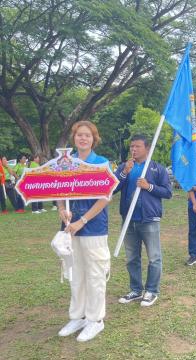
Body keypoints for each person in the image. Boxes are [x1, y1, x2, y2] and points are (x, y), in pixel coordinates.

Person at [57, 120, 111, 342]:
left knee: (95, 275)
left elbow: (104, 198)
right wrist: (62, 209)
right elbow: (58, 192)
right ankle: (77, 316)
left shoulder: (101, 163)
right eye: (79, 135)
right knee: (75, 274)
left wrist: (83, 220)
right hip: (70, 229)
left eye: (87, 135)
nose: (83, 138)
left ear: (93, 139)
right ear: (74, 138)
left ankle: (95, 320)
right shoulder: (65, 164)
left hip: (94, 229)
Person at [115, 134, 172, 306]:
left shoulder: (156, 168)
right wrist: (124, 173)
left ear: (147, 148)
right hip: (129, 219)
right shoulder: (125, 166)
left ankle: (152, 291)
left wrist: (149, 187)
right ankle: (136, 289)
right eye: (132, 146)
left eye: (137, 146)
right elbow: (113, 188)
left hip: (149, 219)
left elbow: (168, 192)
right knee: (132, 257)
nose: (133, 149)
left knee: (154, 257)